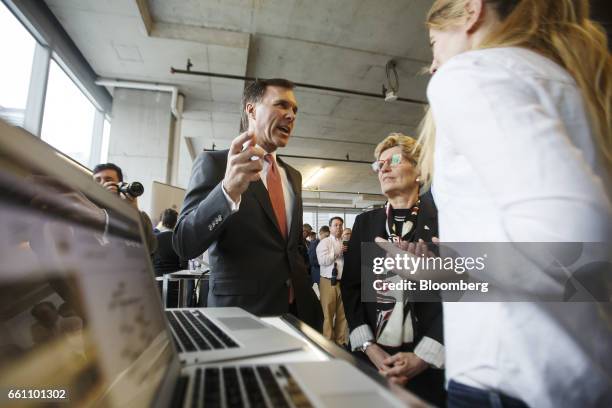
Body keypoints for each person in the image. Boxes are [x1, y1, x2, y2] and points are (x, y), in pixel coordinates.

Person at [412, 1, 612, 406]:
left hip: (507, 380)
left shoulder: (474, 75)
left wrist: (440, 271)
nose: (433, 65)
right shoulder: (571, 86)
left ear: (471, 10)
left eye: (434, 44)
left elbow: (568, 249)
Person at [172, 78, 322, 330]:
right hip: (242, 318)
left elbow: (292, 245)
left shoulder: (293, 176)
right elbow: (184, 243)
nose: (291, 115)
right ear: (251, 109)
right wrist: (227, 191)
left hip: (300, 315)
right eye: (282, 105)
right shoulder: (216, 164)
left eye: (295, 110)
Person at [342, 134, 445, 406]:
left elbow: (460, 294)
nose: (384, 168)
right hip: (374, 360)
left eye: (394, 160)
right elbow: (351, 289)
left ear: (420, 170)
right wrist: (369, 347)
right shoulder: (365, 223)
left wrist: (424, 356)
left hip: (430, 363)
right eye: (379, 164)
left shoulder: (444, 223)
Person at [92, 163, 157, 254]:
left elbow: (150, 247)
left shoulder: (139, 215)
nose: (102, 184)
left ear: (119, 185)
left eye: (108, 180)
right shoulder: (86, 209)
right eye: (97, 180)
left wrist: (133, 211)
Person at [316, 217, 349, 346]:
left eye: (341, 225)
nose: (339, 228)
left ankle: (340, 342)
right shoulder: (324, 243)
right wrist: (337, 252)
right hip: (328, 282)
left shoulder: (345, 242)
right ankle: (328, 343)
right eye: (335, 225)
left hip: (343, 282)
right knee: (328, 315)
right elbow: (322, 261)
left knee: (342, 315)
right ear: (330, 228)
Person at [152, 208, 187, 276]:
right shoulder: (179, 239)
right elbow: (184, 263)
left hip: (157, 278)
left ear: (162, 221)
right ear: (175, 223)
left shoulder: (154, 238)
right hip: (175, 279)